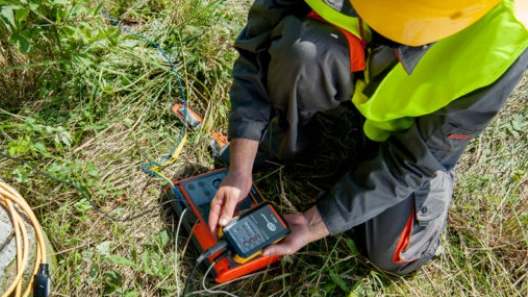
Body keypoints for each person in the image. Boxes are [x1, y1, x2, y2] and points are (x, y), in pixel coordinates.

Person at [208, 0, 528, 275]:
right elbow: (256, 49)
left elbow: (419, 158)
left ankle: (425, 187)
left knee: (392, 254)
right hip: (350, 57)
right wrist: (241, 165)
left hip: (411, 132)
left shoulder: (506, 31)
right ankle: (285, 137)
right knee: (302, 52)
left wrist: (319, 223)